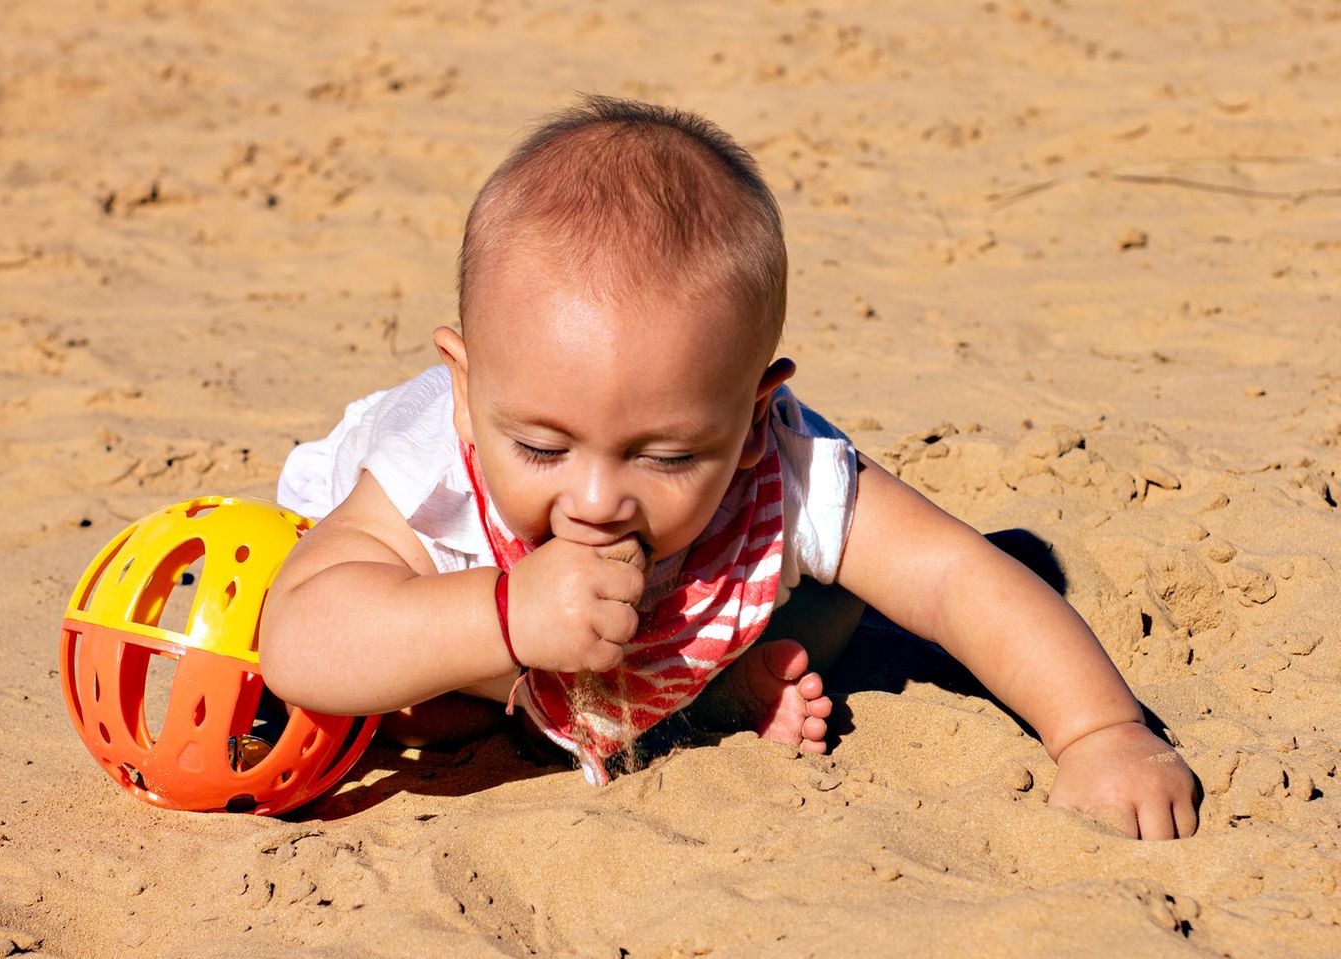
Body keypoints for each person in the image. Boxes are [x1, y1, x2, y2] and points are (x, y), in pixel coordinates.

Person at [258, 95, 1198, 839]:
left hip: (661, 618)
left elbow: (958, 577)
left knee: (840, 602)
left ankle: (703, 684)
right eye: (541, 447)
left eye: (667, 455)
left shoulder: (776, 461)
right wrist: (505, 615)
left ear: (751, 415)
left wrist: (1101, 731)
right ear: (467, 393)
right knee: (406, 685)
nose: (594, 500)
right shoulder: (433, 458)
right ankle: (621, 687)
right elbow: (299, 640)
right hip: (455, 616)